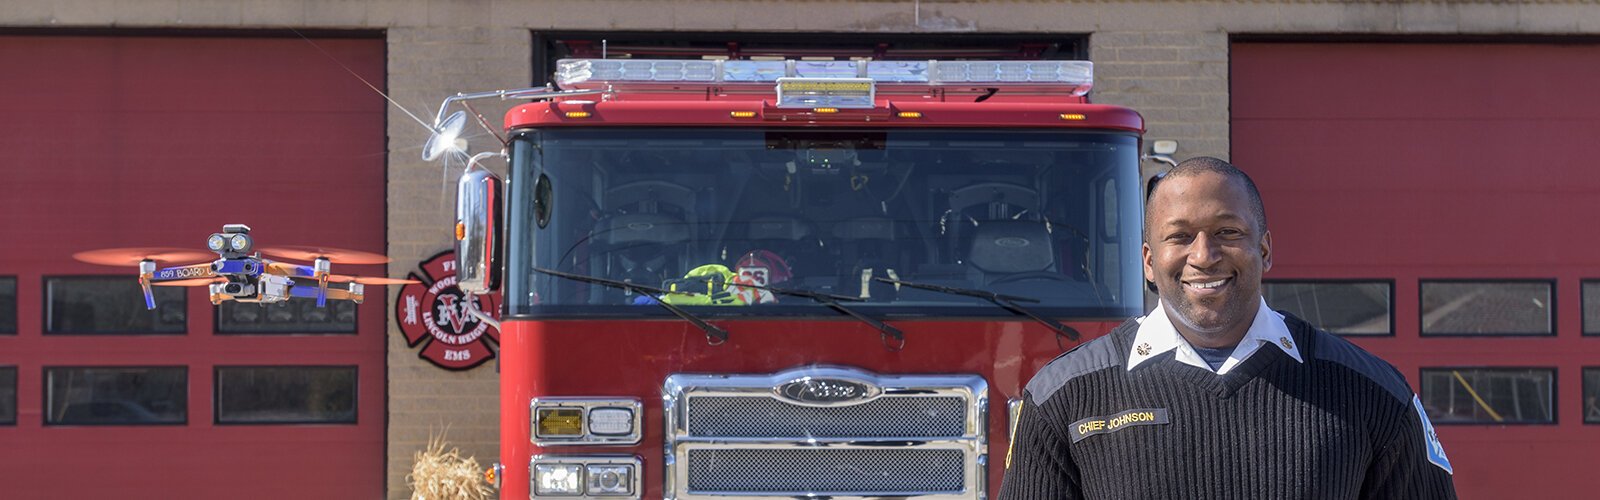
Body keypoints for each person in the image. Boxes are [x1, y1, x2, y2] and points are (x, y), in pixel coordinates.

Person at [999, 157, 1457, 499]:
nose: (1204, 256)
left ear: (1266, 249)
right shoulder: (1063, 397)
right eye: (1179, 237)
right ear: (1148, 262)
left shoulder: (1371, 393)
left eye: (1228, 233)